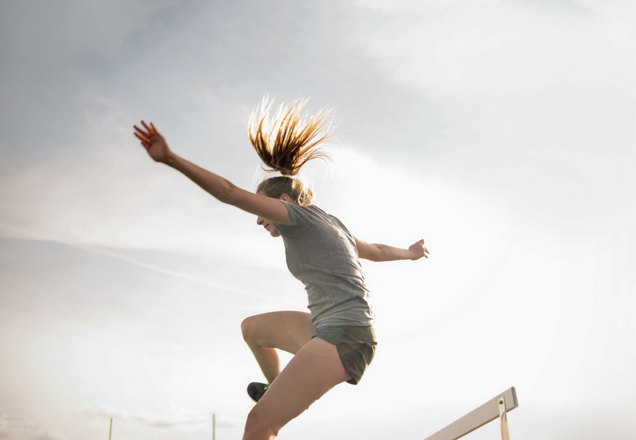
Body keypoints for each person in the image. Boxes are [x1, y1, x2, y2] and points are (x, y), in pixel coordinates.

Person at [133, 99, 428, 440]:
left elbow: (229, 193)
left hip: (347, 336)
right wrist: (410, 253)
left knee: (259, 424)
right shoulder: (332, 222)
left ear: (284, 203)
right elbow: (375, 251)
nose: (259, 220)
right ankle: (275, 386)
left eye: (264, 211)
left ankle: (271, 404)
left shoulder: (297, 216)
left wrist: (170, 159)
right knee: (252, 329)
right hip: (328, 326)